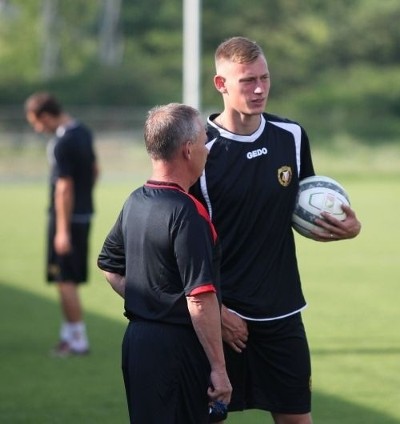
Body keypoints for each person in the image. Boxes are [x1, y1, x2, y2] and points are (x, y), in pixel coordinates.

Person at [189, 36, 362, 424]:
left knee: (297, 420)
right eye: (248, 80)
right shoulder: (199, 149)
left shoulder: (292, 136)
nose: (259, 89)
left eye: (264, 78)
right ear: (221, 85)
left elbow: (307, 206)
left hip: (283, 312)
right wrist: (215, 310)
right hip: (223, 318)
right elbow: (184, 242)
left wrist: (346, 227)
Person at [97, 103, 232, 423]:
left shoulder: (135, 201)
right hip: (177, 350)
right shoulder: (189, 213)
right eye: (202, 141)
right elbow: (198, 298)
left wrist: (151, 304)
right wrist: (219, 368)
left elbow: (109, 266)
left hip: (138, 343)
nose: (207, 151)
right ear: (188, 150)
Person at [24, 92, 98, 357]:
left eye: (36, 122)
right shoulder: (84, 132)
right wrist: (85, 200)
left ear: (45, 116)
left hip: (66, 220)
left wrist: (62, 230)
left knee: (64, 279)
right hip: (84, 215)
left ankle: (78, 340)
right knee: (68, 278)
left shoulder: (61, 142)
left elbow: (64, 187)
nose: (36, 128)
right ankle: (68, 336)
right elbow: (94, 170)